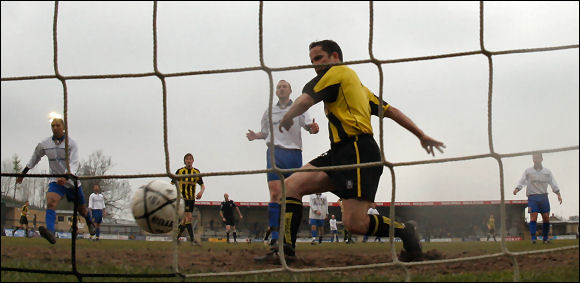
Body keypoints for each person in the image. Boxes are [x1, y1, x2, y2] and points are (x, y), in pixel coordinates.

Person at [256, 40, 445, 263]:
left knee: (356, 224)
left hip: (358, 151)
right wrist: (420, 134)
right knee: (291, 187)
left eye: (319, 58)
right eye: (312, 61)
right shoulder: (358, 88)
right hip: (340, 152)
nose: (315, 65)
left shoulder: (338, 73)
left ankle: (405, 231)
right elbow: (391, 110)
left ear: (335, 56)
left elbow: (305, 100)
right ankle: (284, 252)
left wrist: (287, 117)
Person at [247, 79, 319, 249]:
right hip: (274, 153)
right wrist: (255, 136)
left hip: (294, 155)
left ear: (290, 90)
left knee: (291, 196)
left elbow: (309, 126)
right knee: (275, 194)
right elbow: (265, 133)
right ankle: (274, 236)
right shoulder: (269, 112)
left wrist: (313, 128)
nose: (281, 89)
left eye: (284, 86)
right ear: (276, 91)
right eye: (278, 87)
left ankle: (288, 236)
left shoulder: (300, 107)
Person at [16, 115, 96, 244]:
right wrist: (24, 172)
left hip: (71, 181)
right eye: (53, 126)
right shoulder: (44, 144)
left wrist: (66, 176)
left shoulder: (72, 143)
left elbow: (74, 163)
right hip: (55, 182)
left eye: (58, 125)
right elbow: (35, 157)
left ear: (63, 127)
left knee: (82, 209)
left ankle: (89, 221)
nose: (55, 128)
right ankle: (51, 232)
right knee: (51, 203)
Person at [513, 153, 562, 244]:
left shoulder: (547, 172)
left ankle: (545, 238)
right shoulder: (528, 171)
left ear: (541, 159)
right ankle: (533, 239)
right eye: (534, 158)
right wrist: (517, 188)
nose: (535, 160)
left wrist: (558, 194)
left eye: (537, 158)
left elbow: (553, 183)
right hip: (532, 197)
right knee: (533, 217)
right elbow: (522, 181)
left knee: (546, 218)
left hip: (543, 197)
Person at [172, 153, 205, 246]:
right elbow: (173, 182)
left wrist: (201, 192)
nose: (189, 160)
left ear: (193, 160)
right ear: (184, 161)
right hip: (183, 199)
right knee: (189, 218)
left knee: (184, 221)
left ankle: (176, 238)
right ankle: (192, 241)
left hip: (191, 199)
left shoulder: (196, 172)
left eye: (190, 159)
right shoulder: (180, 171)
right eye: (187, 159)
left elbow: (202, 185)